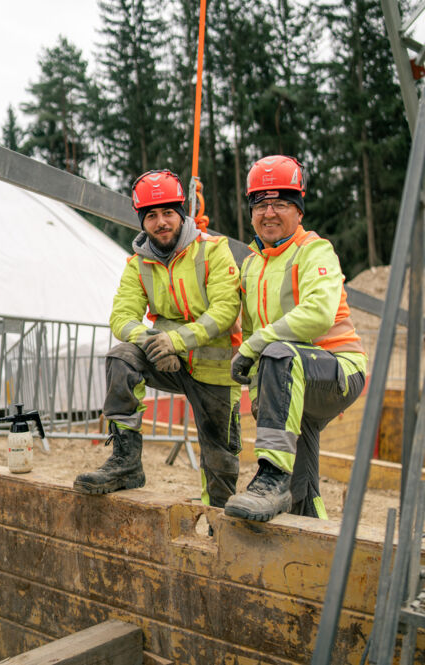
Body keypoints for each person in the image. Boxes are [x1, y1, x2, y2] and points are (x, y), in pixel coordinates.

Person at [74, 169, 242, 510]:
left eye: (168, 213)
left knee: (220, 465)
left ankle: (217, 524)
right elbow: (121, 318)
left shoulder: (213, 251)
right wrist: (155, 342)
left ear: (181, 214)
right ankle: (126, 464)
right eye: (151, 215)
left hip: (214, 373)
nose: (161, 222)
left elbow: (226, 310)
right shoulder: (138, 265)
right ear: (142, 221)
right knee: (122, 357)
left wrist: (176, 341)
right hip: (168, 362)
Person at [224, 155, 367, 522]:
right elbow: (253, 331)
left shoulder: (314, 250)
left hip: (336, 370)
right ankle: (311, 527)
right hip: (289, 375)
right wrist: (262, 395)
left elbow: (318, 314)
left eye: (281, 203)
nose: (269, 213)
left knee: (277, 353)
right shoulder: (253, 264)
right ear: (252, 211)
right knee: (301, 486)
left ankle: (270, 478)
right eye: (261, 204)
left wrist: (255, 349)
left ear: (298, 210)